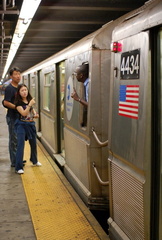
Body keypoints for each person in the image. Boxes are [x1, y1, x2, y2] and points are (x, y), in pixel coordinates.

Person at [14, 84, 42, 174]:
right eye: (22, 90)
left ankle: (34, 160)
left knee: (33, 143)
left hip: (30, 125)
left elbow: (33, 111)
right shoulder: (18, 103)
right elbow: (24, 113)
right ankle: (18, 167)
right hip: (21, 125)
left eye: (25, 90)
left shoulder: (29, 100)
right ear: (19, 92)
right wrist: (29, 105)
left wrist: (35, 114)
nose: (24, 92)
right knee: (20, 145)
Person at [3, 67, 21, 167]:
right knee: (13, 140)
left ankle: (17, 159)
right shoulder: (9, 88)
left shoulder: (18, 87)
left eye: (19, 74)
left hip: (18, 117)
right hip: (12, 117)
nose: (18, 76)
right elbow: (5, 102)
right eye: (15, 74)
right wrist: (17, 108)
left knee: (18, 139)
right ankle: (14, 162)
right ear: (11, 76)